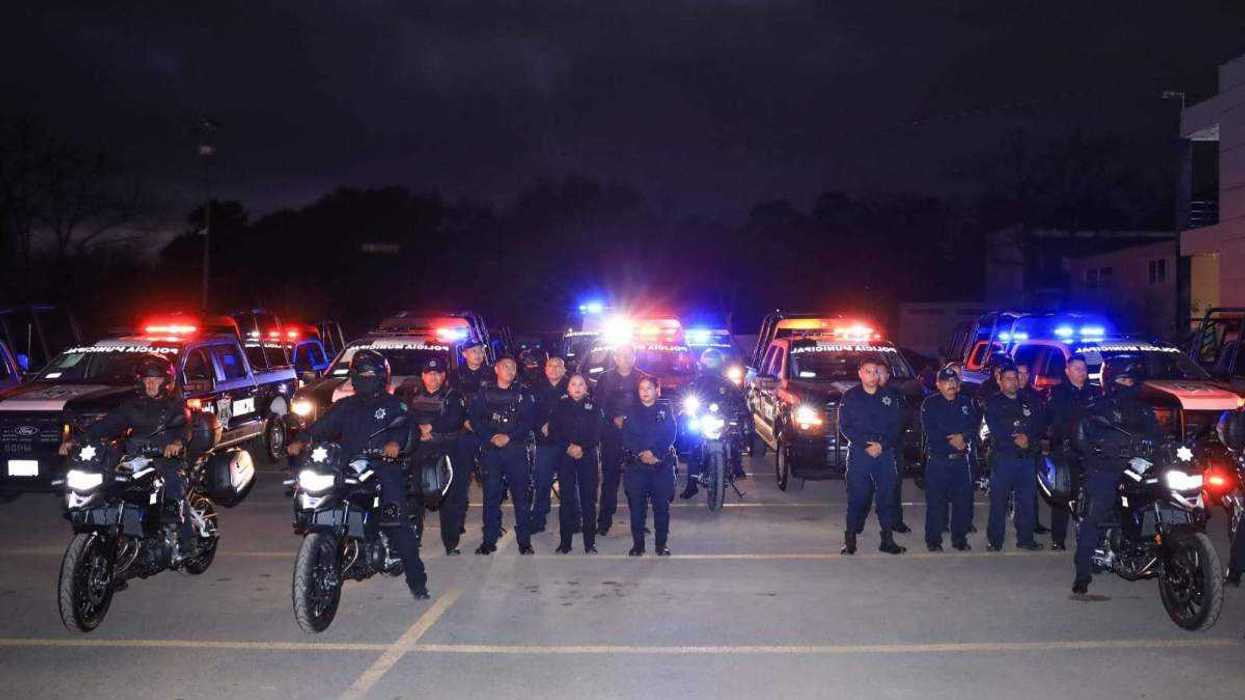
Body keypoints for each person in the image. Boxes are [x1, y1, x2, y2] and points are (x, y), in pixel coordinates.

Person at [287, 350, 428, 599]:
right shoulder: (346, 406)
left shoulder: (394, 405)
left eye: (370, 374)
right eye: (360, 374)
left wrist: (395, 444)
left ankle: (417, 582)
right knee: (322, 494)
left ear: (381, 377)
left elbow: (409, 429)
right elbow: (323, 426)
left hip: (383, 465)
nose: (365, 378)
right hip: (349, 464)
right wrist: (302, 439)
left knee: (397, 520)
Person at [61, 355, 195, 562]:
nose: (150, 384)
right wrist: (78, 440)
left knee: (172, 490)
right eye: (146, 380)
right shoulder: (133, 406)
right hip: (135, 458)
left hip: (166, 459)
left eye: (156, 379)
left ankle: (187, 543)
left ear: (166, 382)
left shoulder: (175, 406)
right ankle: (123, 534)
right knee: (111, 486)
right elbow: (107, 424)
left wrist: (177, 443)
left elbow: (185, 427)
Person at [1073, 359, 1159, 595]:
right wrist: (1099, 455)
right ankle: (1082, 573)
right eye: (1123, 379)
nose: (1127, 384)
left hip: (1140, 468)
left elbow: (1158, 436)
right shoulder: (1097, 408)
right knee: (1094, 516)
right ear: (1111, 381)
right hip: (1107, 468)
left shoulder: (1144, 410)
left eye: (1131, 380)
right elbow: (1081, 438)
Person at [469, 355, 537, 555]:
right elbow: (475, 419)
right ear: (496, 369)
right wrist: (491, 437)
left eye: (513, 367)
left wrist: (509, 436)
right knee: (491, 496)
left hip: (515, 449)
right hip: (491, 450)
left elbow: (528, 421)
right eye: (506, 366)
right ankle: (489, 540)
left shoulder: (523, 393)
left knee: (521, 497)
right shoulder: (484, 393)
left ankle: (524, 542)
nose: (510, 370)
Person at [839, 357, 906, 555]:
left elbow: (897, 426)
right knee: (857, 496)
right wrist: (864, 444)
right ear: (860, 374)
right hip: (860, 453)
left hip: (884, 453)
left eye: (876, 371)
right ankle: (850, 539)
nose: (873, 375)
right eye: (868, 371)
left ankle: (887, 540)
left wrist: (883, 445)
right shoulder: (850, 397)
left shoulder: (889, 397)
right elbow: (845, 426)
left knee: (887, 497)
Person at [408, 357, 469, 556]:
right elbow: (406, 418)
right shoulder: (413, 396)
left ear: (443, 376)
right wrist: (419, 430)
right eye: (429, 373)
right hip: (420, 451)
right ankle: (413, 539)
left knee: (448, 499)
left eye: (437, 373)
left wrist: (431, 427)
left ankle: (451, 543)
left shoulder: (453, 396)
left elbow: (455, 419)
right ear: (423, 376)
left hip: (446, 452)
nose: (433, 377)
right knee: (414, 497)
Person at [983, 362, 1044, 552]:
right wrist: (1015, 439)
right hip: (1004, 458)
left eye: (1015, 378)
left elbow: (1038, 423)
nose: (1013, 382)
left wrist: (1028, 438)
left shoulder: (1029, 400)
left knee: (1026, 502)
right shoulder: (993, 403)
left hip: (1026, 458)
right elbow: (995, 429)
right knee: (998, 502)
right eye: (1008, 379)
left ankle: (1025, 539)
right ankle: (995, 540)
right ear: (1000, 381)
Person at [1043, 354, 1101, 551]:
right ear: (1067, 371)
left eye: (1083, 368)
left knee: (1091, 496)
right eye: (1077, 368)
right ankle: (1058, 538)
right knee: (1062, 493)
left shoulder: (1095, 393)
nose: (1081, 372)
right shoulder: (1057, 393)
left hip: (1091, 452)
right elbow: (1053, 422)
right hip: (1065, 450)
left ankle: (1089, 536)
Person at [920, 365, 980, 551]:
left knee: (962, 503)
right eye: (946, 381)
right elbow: (930, 430)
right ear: (938, 384)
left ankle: (959, 539)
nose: (951, 384)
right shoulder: (930, 404)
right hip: (939, 460)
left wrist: (964, 437)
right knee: (936, 503)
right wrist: (953, 440)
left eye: (954, 381)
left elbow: (973, 426)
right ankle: (933, 540)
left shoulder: (966, 403)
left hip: (961, 461)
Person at [594, 343, 650, 536]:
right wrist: (613, 418)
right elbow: (598, 404)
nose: (625, 359)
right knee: (610, 479)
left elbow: (648, 404)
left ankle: (639, 522)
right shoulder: (605, 378)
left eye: (629, 355)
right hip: (611, 435)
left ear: (634, 357)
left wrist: (630, 420)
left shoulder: (643, 378)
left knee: (637, 481)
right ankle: (604, 521)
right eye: (621, 355)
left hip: (636, 436)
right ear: (615, 357)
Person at [680, 348, 746, 500]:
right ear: (703, 363)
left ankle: (737, 467)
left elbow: (739, 399)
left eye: (713, 361)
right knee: (693, 445)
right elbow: (687, 397)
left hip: (723, 420)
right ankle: (691, 485)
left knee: (736, 439)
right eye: (708, 361)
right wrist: (686, 407)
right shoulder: (696, 382)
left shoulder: (728, 383)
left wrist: (741, 411)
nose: (711, 364)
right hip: (703, 419)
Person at [622, 376, 677, 556]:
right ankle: (638, 545)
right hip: (636, 466)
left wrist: (655, 454)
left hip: (660, 465)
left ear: (657, 390)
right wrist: (641, 453)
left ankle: (661, 545)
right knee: (637, 508)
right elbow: (627, 437)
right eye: (642, 389)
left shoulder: (665, 410)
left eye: (649, 388)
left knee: (661, 507)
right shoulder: (631, 411)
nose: (645, 392)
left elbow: (670, 434)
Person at [549, 373, 604, 553]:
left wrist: (583, 448)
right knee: (566, 500)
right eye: (573, 384)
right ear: (568, 388)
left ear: (586, 388)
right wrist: (568, 447)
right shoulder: (560, 406)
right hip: (566, 456)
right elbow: (554, 430)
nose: (577, 388)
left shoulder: (594, 407)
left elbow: (597, 432)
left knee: (588, 500)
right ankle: (565, 543)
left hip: (587, 456)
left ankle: (590, 543)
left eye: (581, 384)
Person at [529, 355, 570, 534]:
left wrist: (551, 424)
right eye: (550, 366)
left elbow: (574, 412)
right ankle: (539, 518)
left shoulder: (571, 385)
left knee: (568, 482)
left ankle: (572, 518)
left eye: (558, 366)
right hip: (544, 442)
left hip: (566, 442)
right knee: (542, 482)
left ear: (564, 369)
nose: (554, 369)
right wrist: (540, 425)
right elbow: (529, 412)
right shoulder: (536, 387)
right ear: (545, 369)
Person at [1015, 360, 1050, 535]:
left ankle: (1032, 523)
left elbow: (1041, 422)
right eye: (1019, 373)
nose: (1022, 377)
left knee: (1031, 488)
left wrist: (1030, 437)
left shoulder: (1035, 396)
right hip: (1010, 448)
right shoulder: (1007, 394)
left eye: (1025, 373)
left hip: (1031, 448)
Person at [876, 363, 912, 535]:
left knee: (894, 484)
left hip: (891, 446)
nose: (877, 375)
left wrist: (890, 437)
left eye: (881, 372)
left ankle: (896, 521)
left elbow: (904, 418)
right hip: (869, 447)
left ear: (888, 375)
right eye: (874, 372)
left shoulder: (896, 394)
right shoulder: (862, 394)